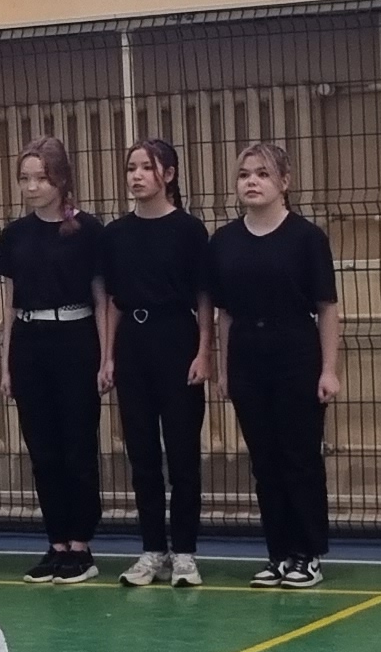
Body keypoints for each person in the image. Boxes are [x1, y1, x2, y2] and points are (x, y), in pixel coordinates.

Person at [214, 140, 341, 588]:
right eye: (244, 174)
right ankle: (279, 552)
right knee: (264, 461)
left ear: (284, 182)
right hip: (247, 353)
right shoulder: (224, 241)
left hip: (295, 350)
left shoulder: (307, 238)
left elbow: (327, 308)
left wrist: (328, 369)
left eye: (263, 173)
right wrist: (225, 370)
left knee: (299, 457)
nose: (252, 181)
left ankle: (308, 553)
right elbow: (224, 313)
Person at [0, 135, 109, 584]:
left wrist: (105, 357)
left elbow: (101, 299)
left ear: (61, 180)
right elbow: (9, 303)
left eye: (41, 178)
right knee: (42, 450)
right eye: (24, 178)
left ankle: (81, 544)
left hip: (75, 339)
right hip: (30, 341)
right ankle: (56, 541)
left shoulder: (88, 230)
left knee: (77, 446)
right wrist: (7, 364)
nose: (32, 187)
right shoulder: (15, 235)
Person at [105, 137, 210, 588]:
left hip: (177, 338)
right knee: (142, 453)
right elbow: (112, 300)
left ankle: (184, 552)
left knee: (183, 452)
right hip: (133, 342)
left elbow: (204, 297)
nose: (137, 176)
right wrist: (108, 356)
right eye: (132, 167)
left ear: (168, 174)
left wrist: (204, 351)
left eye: (146, 167)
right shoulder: (115, 234)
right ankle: (152, 549)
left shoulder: (189, 230)